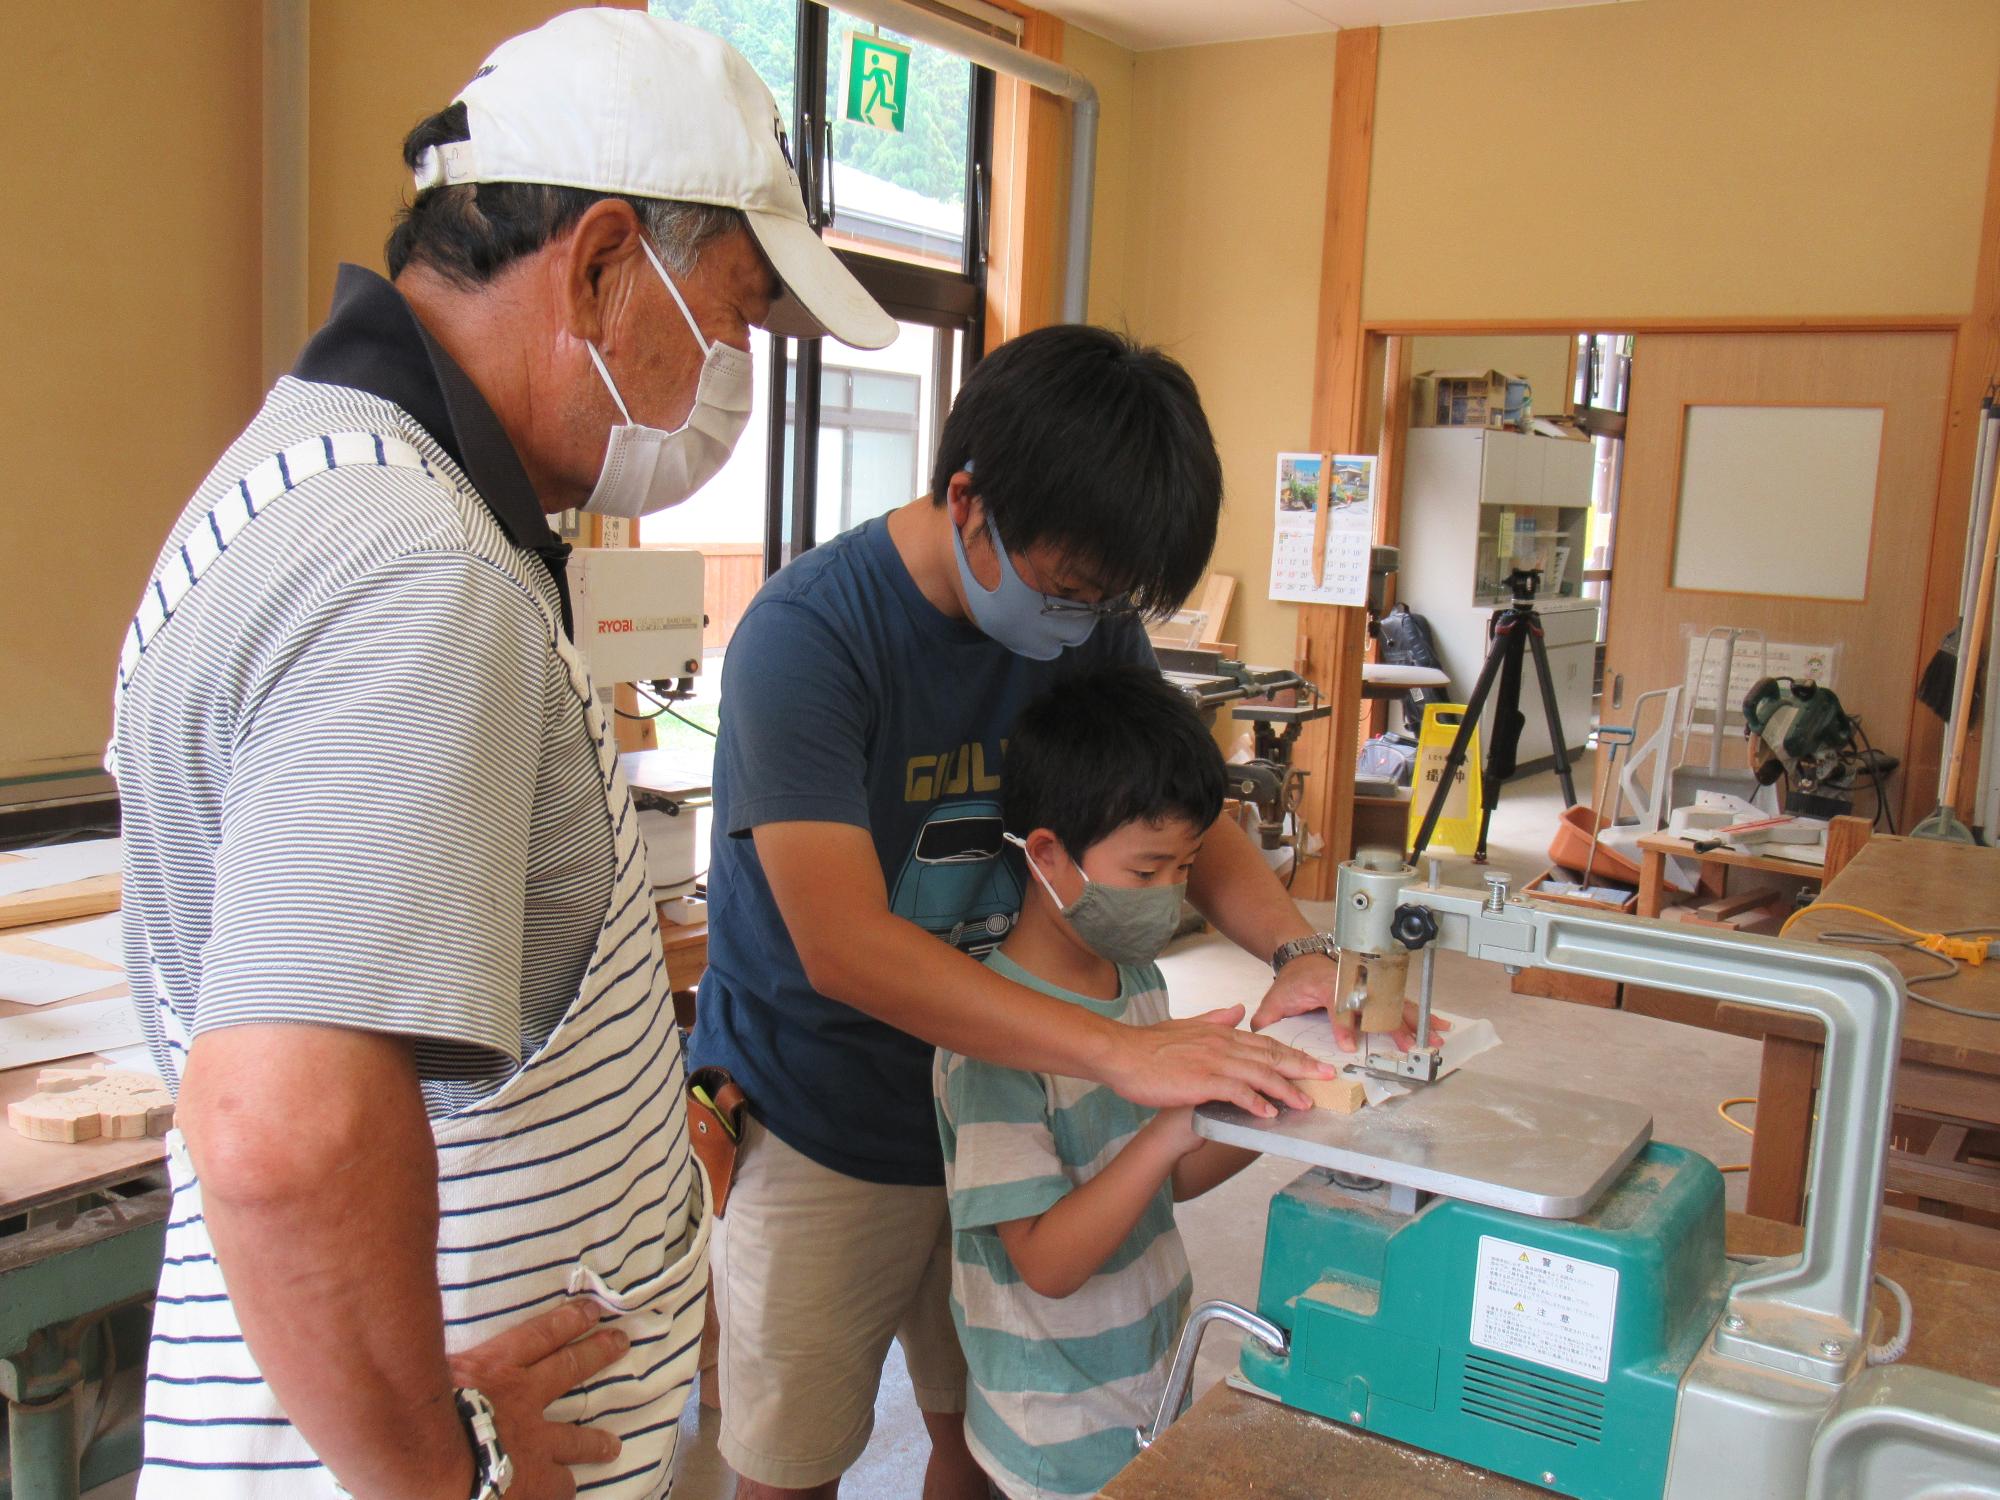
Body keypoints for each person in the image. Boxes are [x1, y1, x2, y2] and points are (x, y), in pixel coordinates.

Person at [109, 12, 894, 1499]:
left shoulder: (339, 476)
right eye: (725, 317)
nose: (727, 372)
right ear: (601, 264)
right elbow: (282, 1132)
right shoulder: (417, 568)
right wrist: (443, 1472)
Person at [693, 323, 1423, 1500]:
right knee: (793, 1462)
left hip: (1024, 1096)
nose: (1089, 624)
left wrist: (1298, 953)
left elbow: (1181, 810)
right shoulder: (809, 638)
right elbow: (842, 946)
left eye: (1112, 602)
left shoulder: (1085, 623)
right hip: (833, 1114)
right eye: (1073, 590)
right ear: (968, 501)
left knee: (984, 1440)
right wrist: (1124, 1054)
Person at [935, 665, 1262, 1499]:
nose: (1171, 897)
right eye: (1146, 872)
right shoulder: (993, 1041)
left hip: (1148, 1373)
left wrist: (1267, 1106)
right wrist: (1169, 1129)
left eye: (1186, 869)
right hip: (1056, 1419)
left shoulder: (1135, 982)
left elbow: (1173, 1179)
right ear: (1047, 855)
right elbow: (1045, 1262)